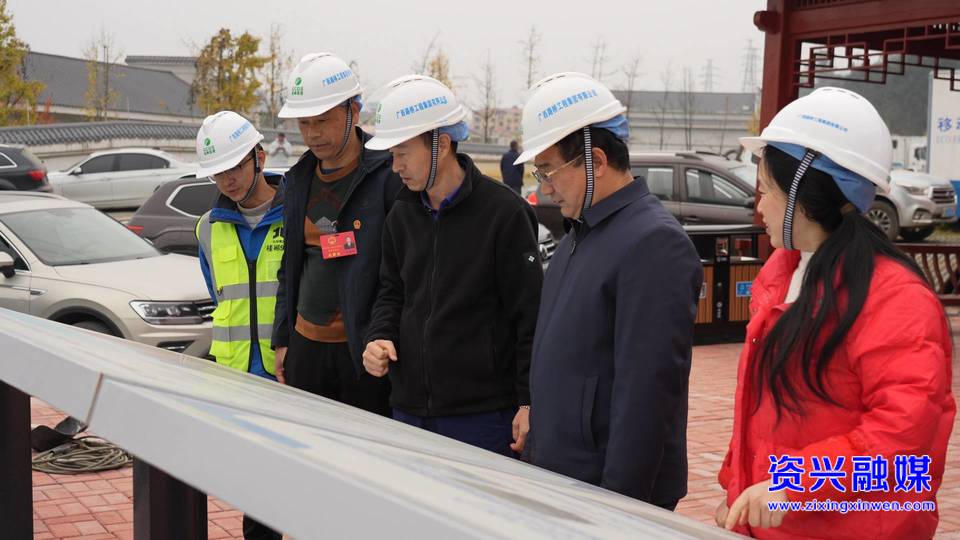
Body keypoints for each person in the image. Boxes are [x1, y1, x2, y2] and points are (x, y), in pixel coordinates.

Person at [716, 87, 955, 538]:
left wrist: (795, 485)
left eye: (767, 190)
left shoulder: (896, 299)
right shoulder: (783, 271)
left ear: (805, 195)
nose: (758, 205)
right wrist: (737, 487)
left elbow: (903, 440)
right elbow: (760, 411)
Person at [513, 72, 702, 508]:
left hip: (607, 489)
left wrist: (620, 508)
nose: (544, 188)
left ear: (595, 161)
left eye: (548, 171)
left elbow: (647, 397)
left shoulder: (654, 243)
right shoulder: (579, 235)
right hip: (565, 473)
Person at [361, 75, 542, 456]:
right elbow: (392, 293)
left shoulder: (504, 213)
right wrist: (379, 336)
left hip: (482, 416)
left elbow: (529, 317)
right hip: (409, 408)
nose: (394, 166)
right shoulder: (401, 214)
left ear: (441, 144)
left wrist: (527, 401)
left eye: (402, 152)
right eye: (391, 154)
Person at [272, 52, 402, 417]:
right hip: (306, 349)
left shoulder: (389, 176)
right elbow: (290, 266)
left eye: (323, 121)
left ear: (354, 112)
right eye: (304, 123)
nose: (313, 133)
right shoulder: (297, 181)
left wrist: (385, 338)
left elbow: (401, 276)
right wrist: (283, 338)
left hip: (364, 354)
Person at [194, 110, 284, 540]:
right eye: (218, 172)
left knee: (305, 492)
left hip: (290, 381)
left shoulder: (298, 214)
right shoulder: (207, 228)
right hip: (237, 385)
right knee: (257, 499)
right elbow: (221, 299)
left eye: (234, 167)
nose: (227, 180)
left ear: (259, 158)